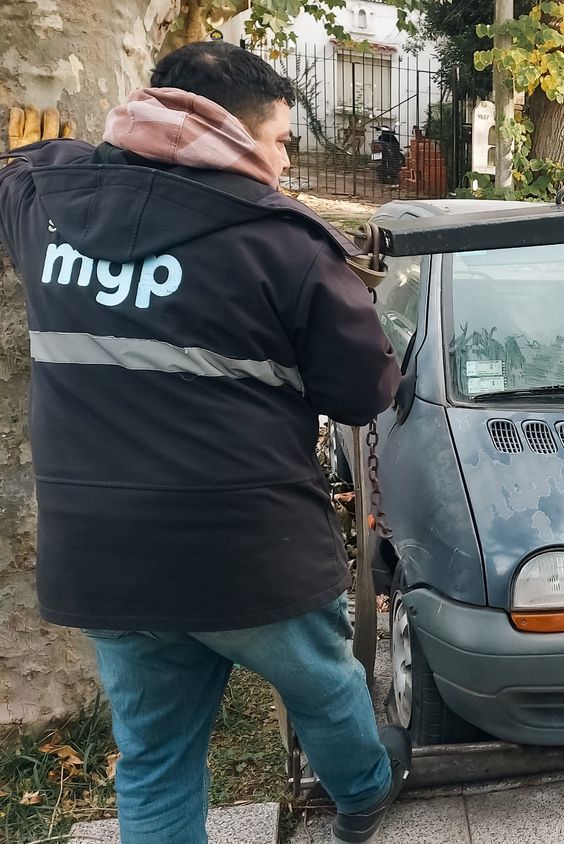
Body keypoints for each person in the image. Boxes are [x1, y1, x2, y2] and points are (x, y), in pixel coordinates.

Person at [0, 43, 405, 844]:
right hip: (251, 554)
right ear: (241, 132)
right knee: (326, 692)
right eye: (284, 140)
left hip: (107, 559)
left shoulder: (43, 204)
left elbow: (20, 163)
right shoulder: (284, 242)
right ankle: (361, 798)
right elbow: (365, 392)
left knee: (153, 756)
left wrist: (74, 154)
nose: (286, 161)